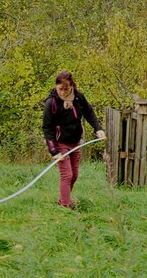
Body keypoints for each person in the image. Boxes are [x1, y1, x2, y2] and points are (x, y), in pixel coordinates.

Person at [41, 71, 106, 208]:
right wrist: (54, 151)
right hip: (60, 143)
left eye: (66, 89)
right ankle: (66, 205)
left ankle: (62, 200)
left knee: (74, 175)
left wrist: (98, 128)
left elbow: (89, 113)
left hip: (75, 142)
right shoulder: (51, 103)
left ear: (72, 86)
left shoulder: (78, 98)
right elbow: (47, 128)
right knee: (67, 175)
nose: (63, 93)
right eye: (60, 89)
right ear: (56, 87)